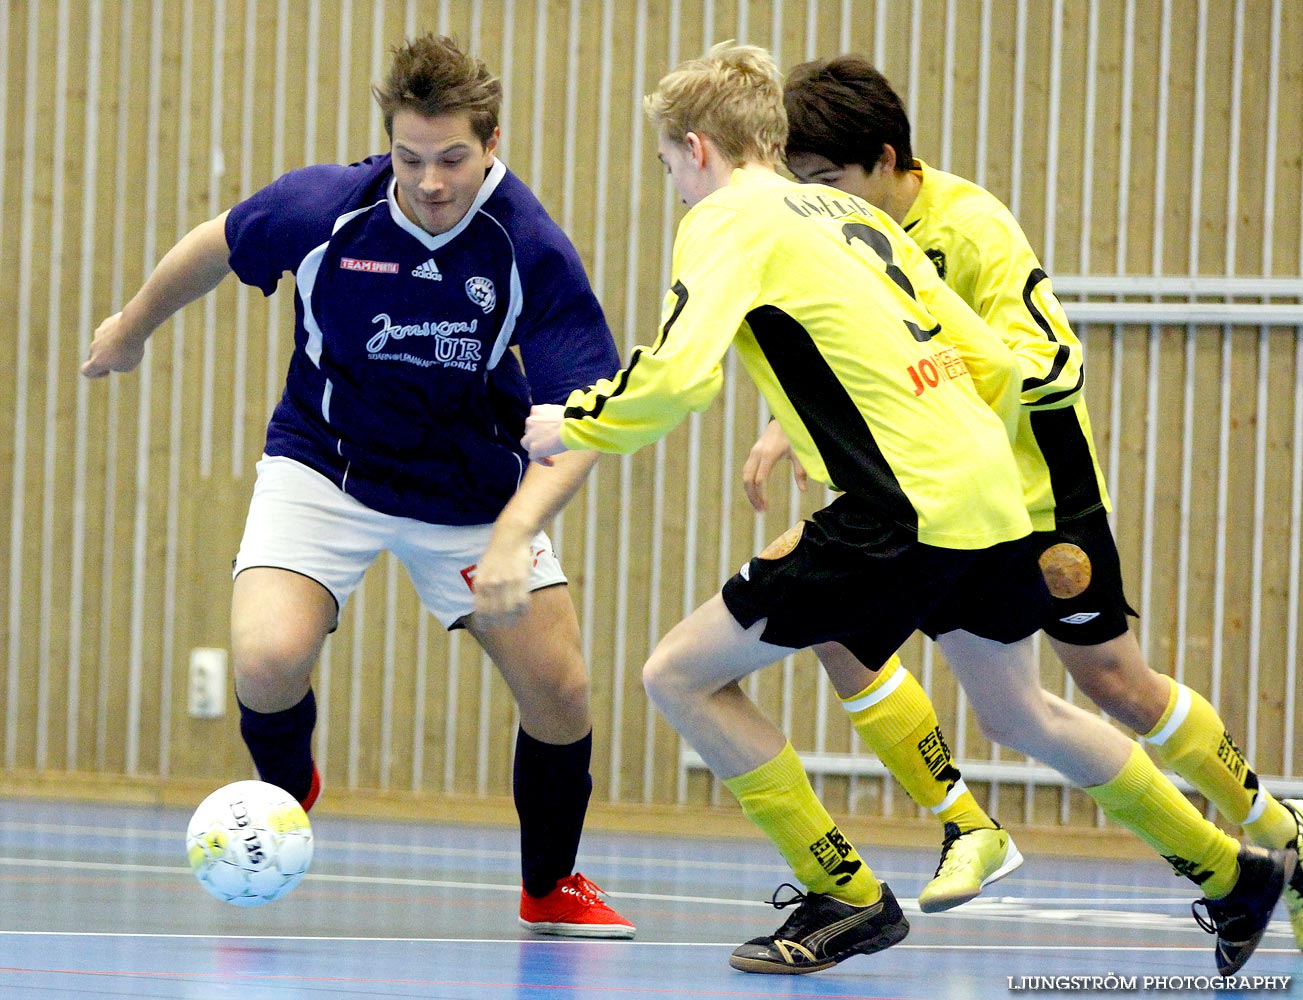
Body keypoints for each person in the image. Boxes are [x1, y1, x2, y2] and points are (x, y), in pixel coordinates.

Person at [521, 42, 1293, 976]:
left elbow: (681, 377)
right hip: (990, 496)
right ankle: (1229, 871)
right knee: (1018, 713)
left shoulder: (727, 218)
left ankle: (843, 894)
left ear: (696, 149)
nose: (674, 188)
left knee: (677, 675)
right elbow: (996, 365)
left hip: (898, 509)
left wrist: (575, 423)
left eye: (667, 168)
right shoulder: (857, 215)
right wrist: (952, 464)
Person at [740, 53, 1303, 945]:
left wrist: (942, 382)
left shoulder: (968, 230)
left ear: (888, 159)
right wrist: (790, 423)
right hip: (942, 503)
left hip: (1039, 494)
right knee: (854, 635)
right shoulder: (843, 232)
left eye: (832, 181)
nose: (823, 200)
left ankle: (1276, 837)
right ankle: (975, 824)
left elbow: (1051, 361)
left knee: (1113, 685)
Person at [81, 34, 634, 939]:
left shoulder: (525, 246)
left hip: (470, 493)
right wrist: (133, 324)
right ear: (389, 144)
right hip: (324, 464)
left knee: (562, 690)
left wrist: (512, 535)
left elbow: (583, 421)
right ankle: (289, 787)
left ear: (491, 143)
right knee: (264, 659)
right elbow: (218, 244)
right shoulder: (330, 204)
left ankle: (549, 885)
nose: (430, 181)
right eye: (410, 157)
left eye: (452, 158)